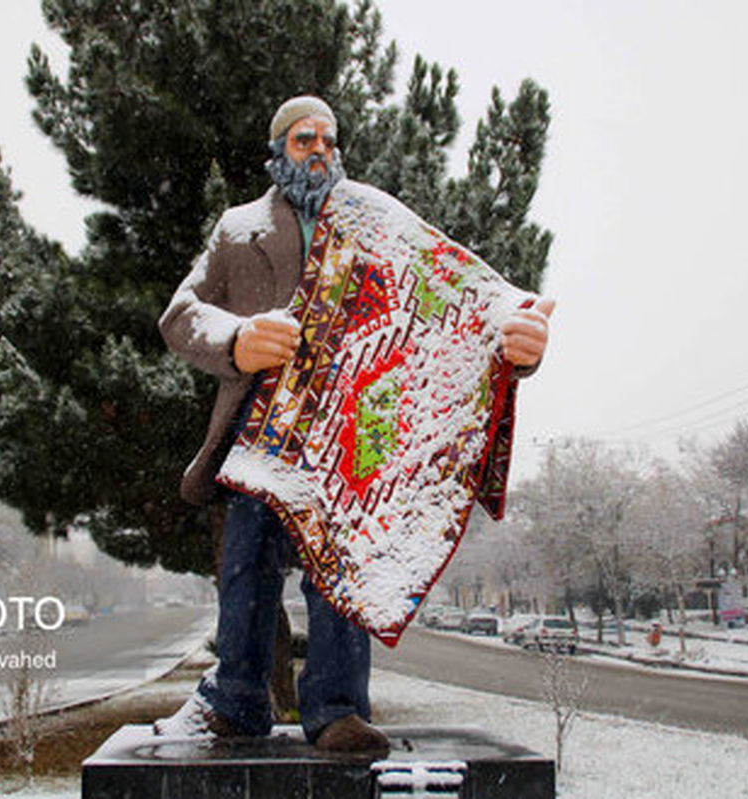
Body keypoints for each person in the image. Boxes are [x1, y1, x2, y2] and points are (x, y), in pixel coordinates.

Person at [156, 95, 554, 752]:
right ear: (278, 147)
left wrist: (515, 338)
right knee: (246, 562)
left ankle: (338, 706)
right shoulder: (237, 229)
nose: (320, 150)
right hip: (262, 430)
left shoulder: (378, 227)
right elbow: (181, 314)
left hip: (347, 438)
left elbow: (450, 301)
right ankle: (235, 698)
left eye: (329, 140)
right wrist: (237, 338)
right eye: (304, 138)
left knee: (342, 566)